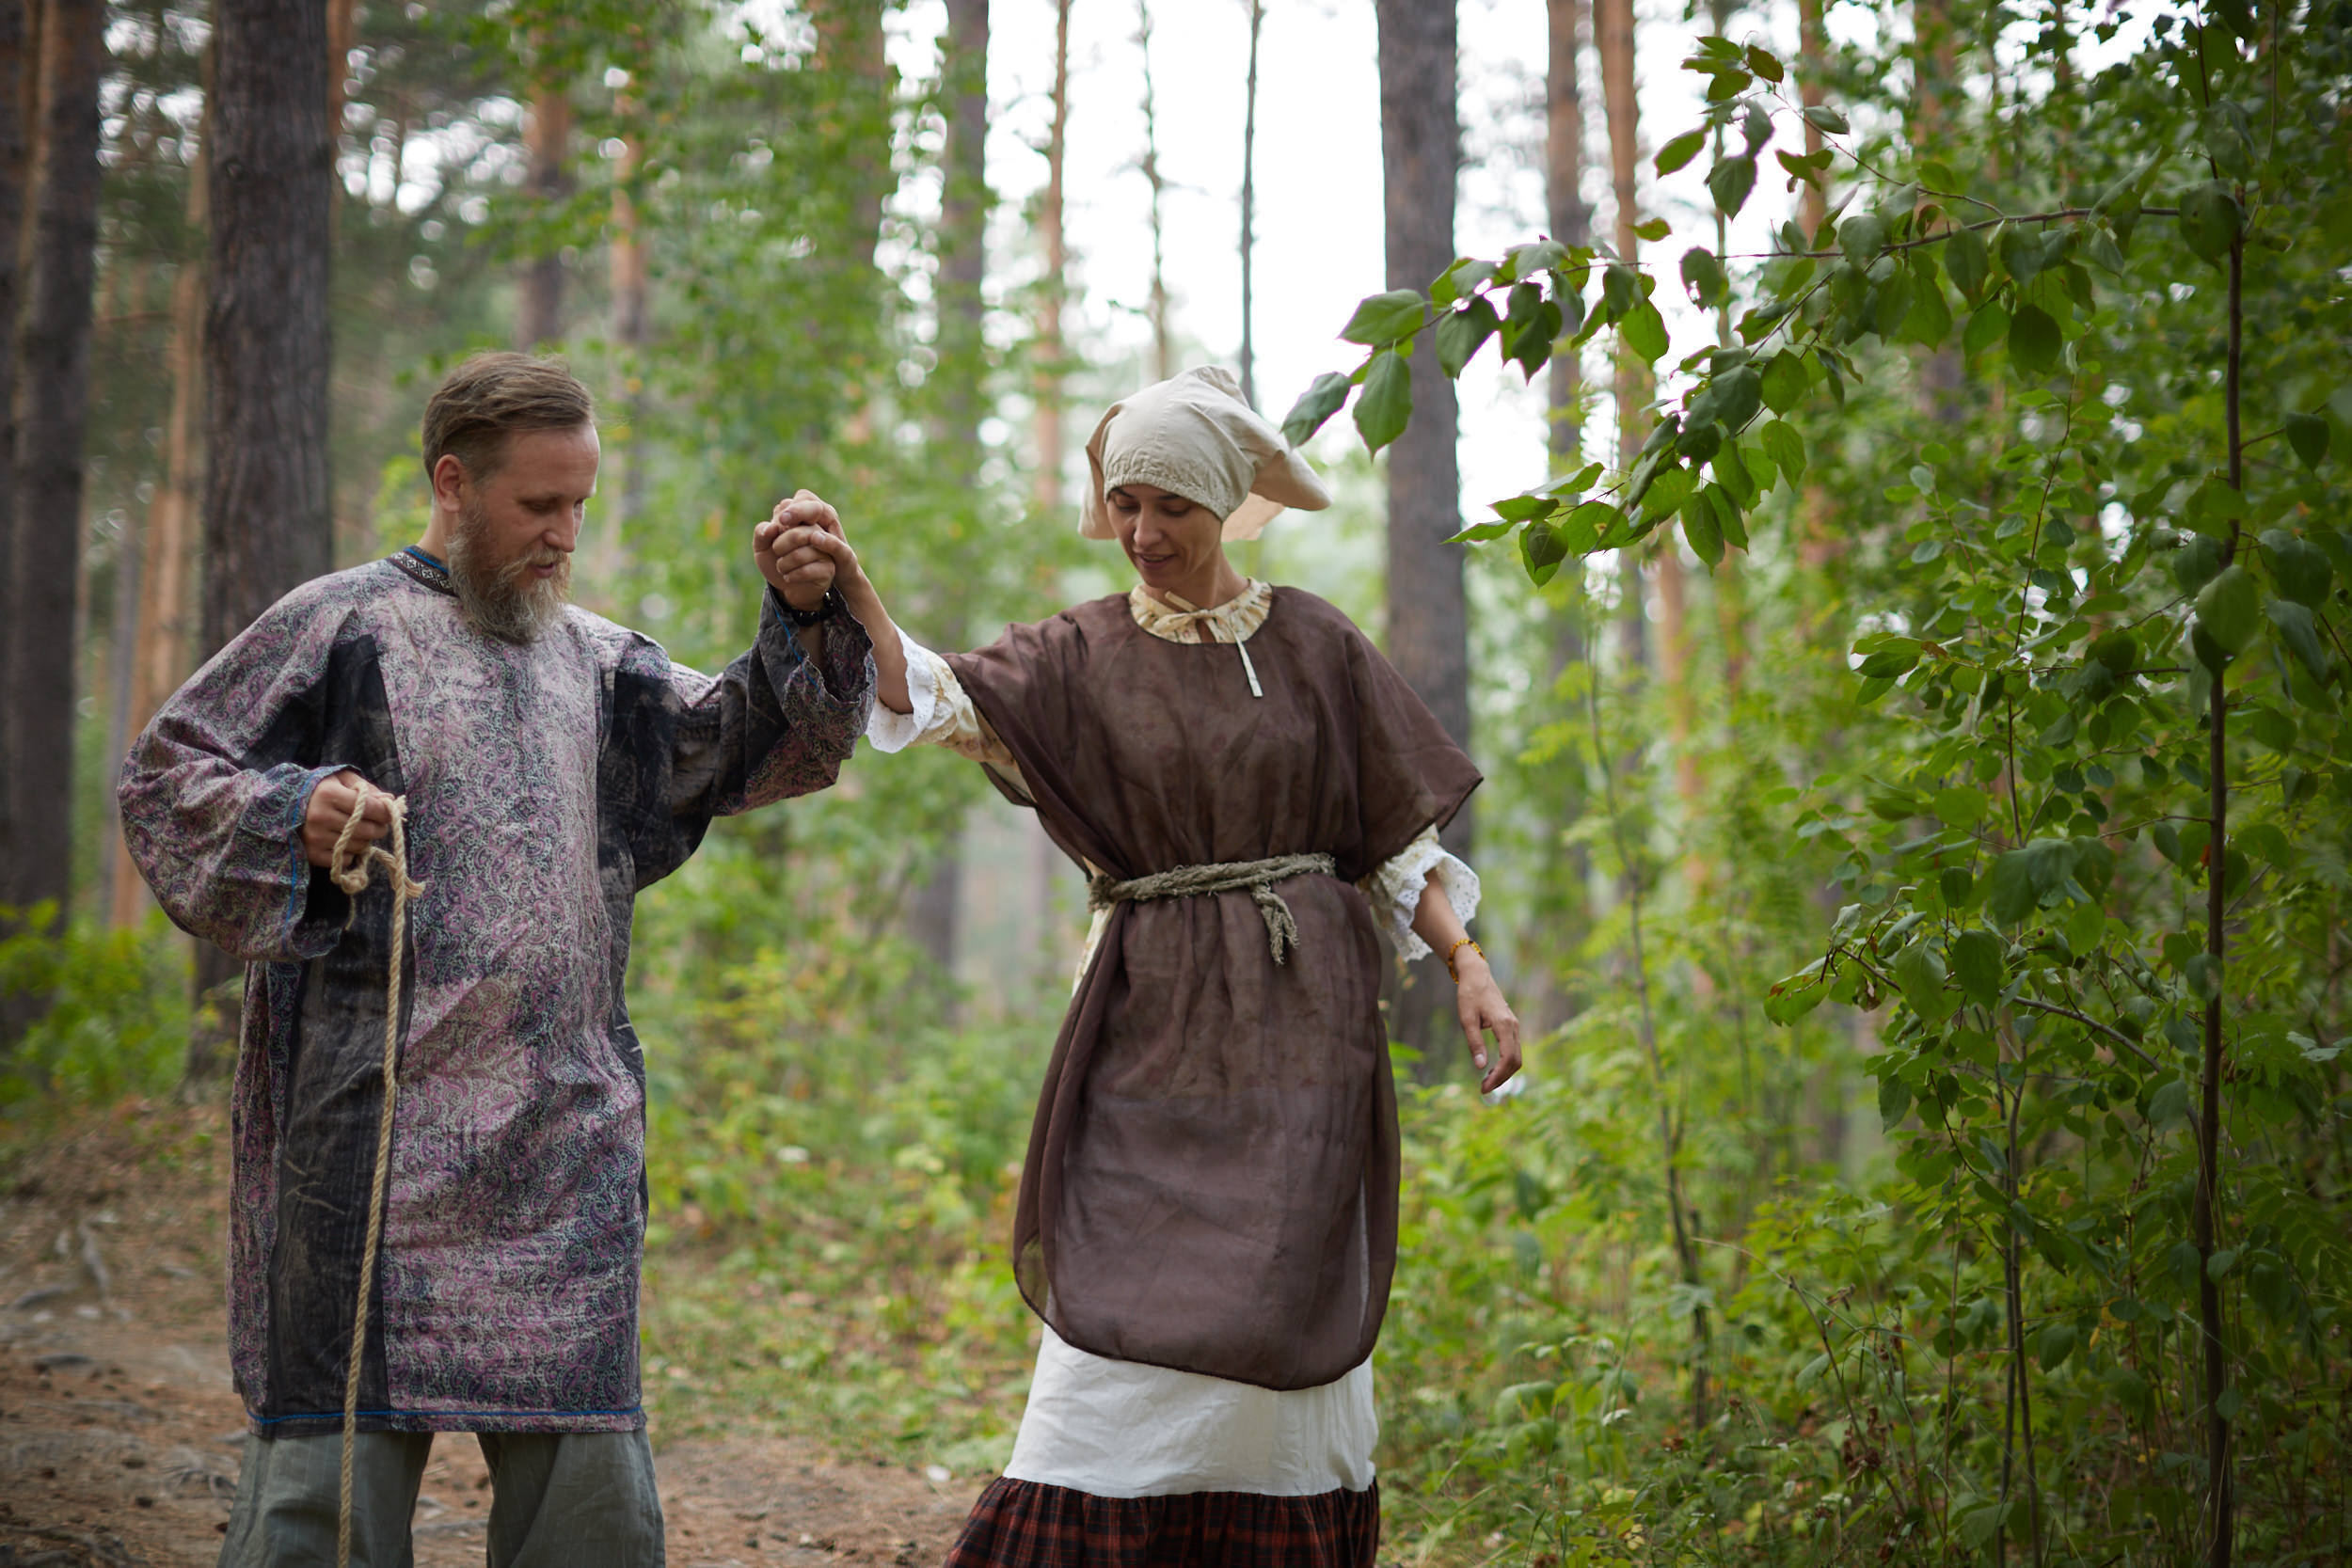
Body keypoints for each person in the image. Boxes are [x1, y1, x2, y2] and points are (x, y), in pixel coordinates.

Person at [118, 352, 872, 1565]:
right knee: (323, 1518)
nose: (565, 533)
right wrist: (292, 811)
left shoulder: (600, 661)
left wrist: (796, 614)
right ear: (454, 484)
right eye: (539, 504)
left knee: (594, 1528)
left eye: (580, 503)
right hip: (364, 1155)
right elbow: (163, 780)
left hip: (560, 1156)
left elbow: (745, 744)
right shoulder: (336, 624)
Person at [762, 366, 1522, 1566]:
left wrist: (1467, 962)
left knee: (1284, 1281)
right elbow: (935, 695)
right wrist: (850, 586)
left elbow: (1394, 840)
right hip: (1147, 1019)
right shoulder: (1078, 653)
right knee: (1120, 1276)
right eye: (1124, 504)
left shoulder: (1319, 643)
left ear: (1225, 504)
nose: (1143, 533)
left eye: (1172, 506)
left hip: (1304, 1030)